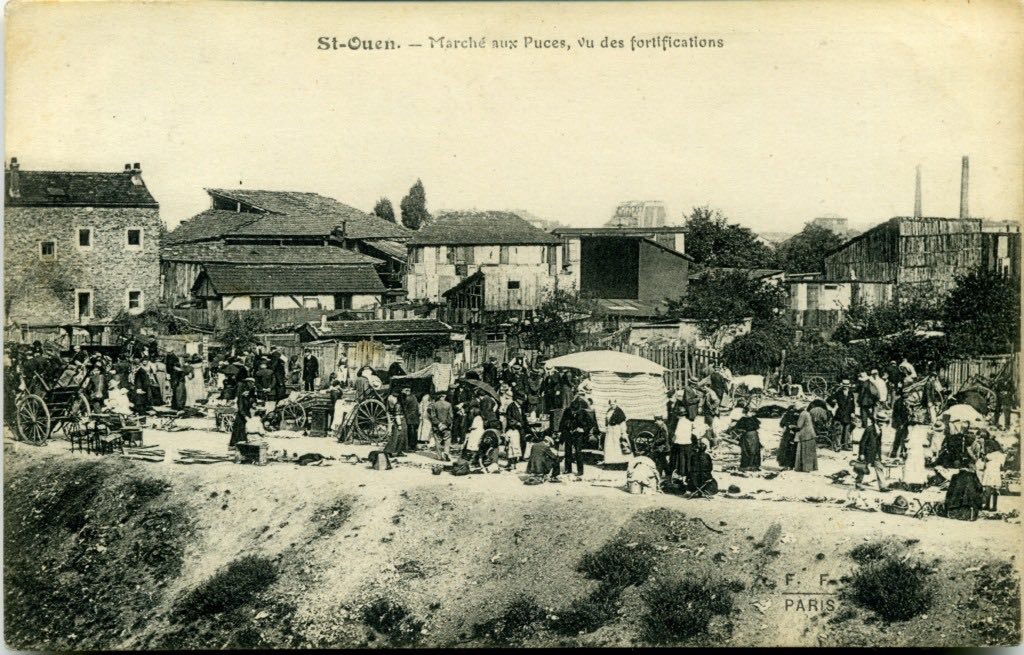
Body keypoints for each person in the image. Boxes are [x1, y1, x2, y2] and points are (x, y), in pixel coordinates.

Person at [561, 397, 593, 478]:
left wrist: (583, 429)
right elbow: (562, 422)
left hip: (578, 435)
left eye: (575, 411)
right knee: (567, 451)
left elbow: (591, 423)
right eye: (572, 411)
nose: (573, 413)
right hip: (568, 433)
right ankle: (568, 469)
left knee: (578, 452)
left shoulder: (583, 412)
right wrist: (562, 432)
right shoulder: (567, 411)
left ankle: (580, 471)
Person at [854, 418, 887, 491]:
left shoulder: (880, 429)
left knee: (879, 467)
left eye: (884, 422)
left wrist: (879, 455)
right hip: (867, 452)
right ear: (877, 421)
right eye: (881, 422)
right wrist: (861, 453)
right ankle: (858, 484)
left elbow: (878, 443)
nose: (883, 424)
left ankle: (883, 486)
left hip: (875, 453)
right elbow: (862, 442)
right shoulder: (869, 429)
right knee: (862, 468)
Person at [731, 406, 762, 471]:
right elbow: (758, 426)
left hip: (748, 436)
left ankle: (747, 466)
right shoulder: (752, 418)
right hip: (754, 435)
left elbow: (737, 428)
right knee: (753, 450)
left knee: (747, 450)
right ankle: (753, 466)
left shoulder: (743, 419)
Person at [230, 377, 256, 448]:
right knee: (239, 430)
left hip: (246, 414)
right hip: (241, 416)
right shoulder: (241, 397)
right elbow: (241, 409)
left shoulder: (248, 396)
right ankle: (236, 444)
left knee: (245, 430)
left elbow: (251, 402)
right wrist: (245, 417)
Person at [603, 399, 630, 465]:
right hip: (610, 430)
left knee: (618, 444)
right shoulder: (609, 411)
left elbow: (622, 423)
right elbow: (607, 420)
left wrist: (623, 432)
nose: (612, 405)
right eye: (611, 404)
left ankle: (620, 461)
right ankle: (611, 461)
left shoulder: (619, 411)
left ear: (616, 403)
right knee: (610, 444)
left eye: (613, 404)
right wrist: (607, 427)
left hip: (617, 429)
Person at [902, 424, 929, 490]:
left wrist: (905, 444)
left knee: (910, 468)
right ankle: (919, 483)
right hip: (919, 453)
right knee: (919, 468)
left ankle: (910, 483)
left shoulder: (911, 435)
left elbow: (908, 445)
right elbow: (926, 443)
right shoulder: (921, 433)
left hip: (912, 453)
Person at [428, 392, 453, 461]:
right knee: (447, 440)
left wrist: (439, 424)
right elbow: (451, 416)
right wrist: (445, 424)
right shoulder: (448, 404)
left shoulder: (434, 405)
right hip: (446, 426)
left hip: (437, 426)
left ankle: (439, 456)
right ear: (444, 396)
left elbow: (433, 416)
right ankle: (446, 454)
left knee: (437, 441)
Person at [793, 404, 818, 472]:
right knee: (810, 452)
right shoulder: (807, 413)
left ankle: (806, 468)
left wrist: (793, 426)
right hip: (811, 433)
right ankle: (811, 467)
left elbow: (799, 425)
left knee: (805, 451)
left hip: (805, 435)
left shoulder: (802, 414)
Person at [981, 444, 1006, 512]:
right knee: (994, 489)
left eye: (988, 447)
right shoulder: (1001, 455)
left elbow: (984, 461)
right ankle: (993, 506)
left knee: (988, 489)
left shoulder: (990, 455)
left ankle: (988, 505)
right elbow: (1002, 466)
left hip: (990, 473)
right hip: (995, 473)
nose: (987, 449)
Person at [890, 387, 910, 458]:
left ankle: (902, 452)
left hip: (905, 423)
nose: (907, 394)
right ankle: (894, 452)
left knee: (905, 438)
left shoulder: (905, 401)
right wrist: (900, 424)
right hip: (900, 423)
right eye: (906, 393)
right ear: (902, 394)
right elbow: (897, 414)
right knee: (898, 438)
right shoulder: (899, 402)